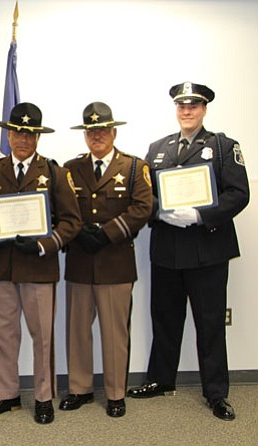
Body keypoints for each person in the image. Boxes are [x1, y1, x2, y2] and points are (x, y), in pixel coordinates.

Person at [127, 82, 249, 421]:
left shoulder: (222, 147)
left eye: (194, 105)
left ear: (204, 109)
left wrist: (199, 214)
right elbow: (143, 195)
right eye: (182, 105)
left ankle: (216, 393)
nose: (187, 111)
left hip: (208, 250)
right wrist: (159, 210)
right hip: (167, 249)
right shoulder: (157, 149)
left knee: (209, 323)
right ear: (176, 109)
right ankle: (160, 379)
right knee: (164, 319)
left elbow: (239, 194)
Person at [0, 102, 82, 424]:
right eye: (18, 132)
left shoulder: (55, 173)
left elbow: (72, 221)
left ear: (38, 137)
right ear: (9, 133)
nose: (23, 140)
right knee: (4, 334)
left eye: (30, 134)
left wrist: (45, 244)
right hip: (3, 267)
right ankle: (6, 394)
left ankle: (43, 397)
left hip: (40, 268)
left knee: (42, 336)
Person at [59, 102, 152, 418]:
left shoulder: (134, 167)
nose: (96, 135)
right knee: (77, 330)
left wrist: (108, 232)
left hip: (115, 262)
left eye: (102, 130)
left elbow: (142, 208)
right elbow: (60, 209)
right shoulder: (70, 169)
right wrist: (78, 233)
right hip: (81, 261)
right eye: (91, 130)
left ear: (113, 132)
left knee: (115, 333)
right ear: (85, 134)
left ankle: (115, 393)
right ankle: (79, 388)